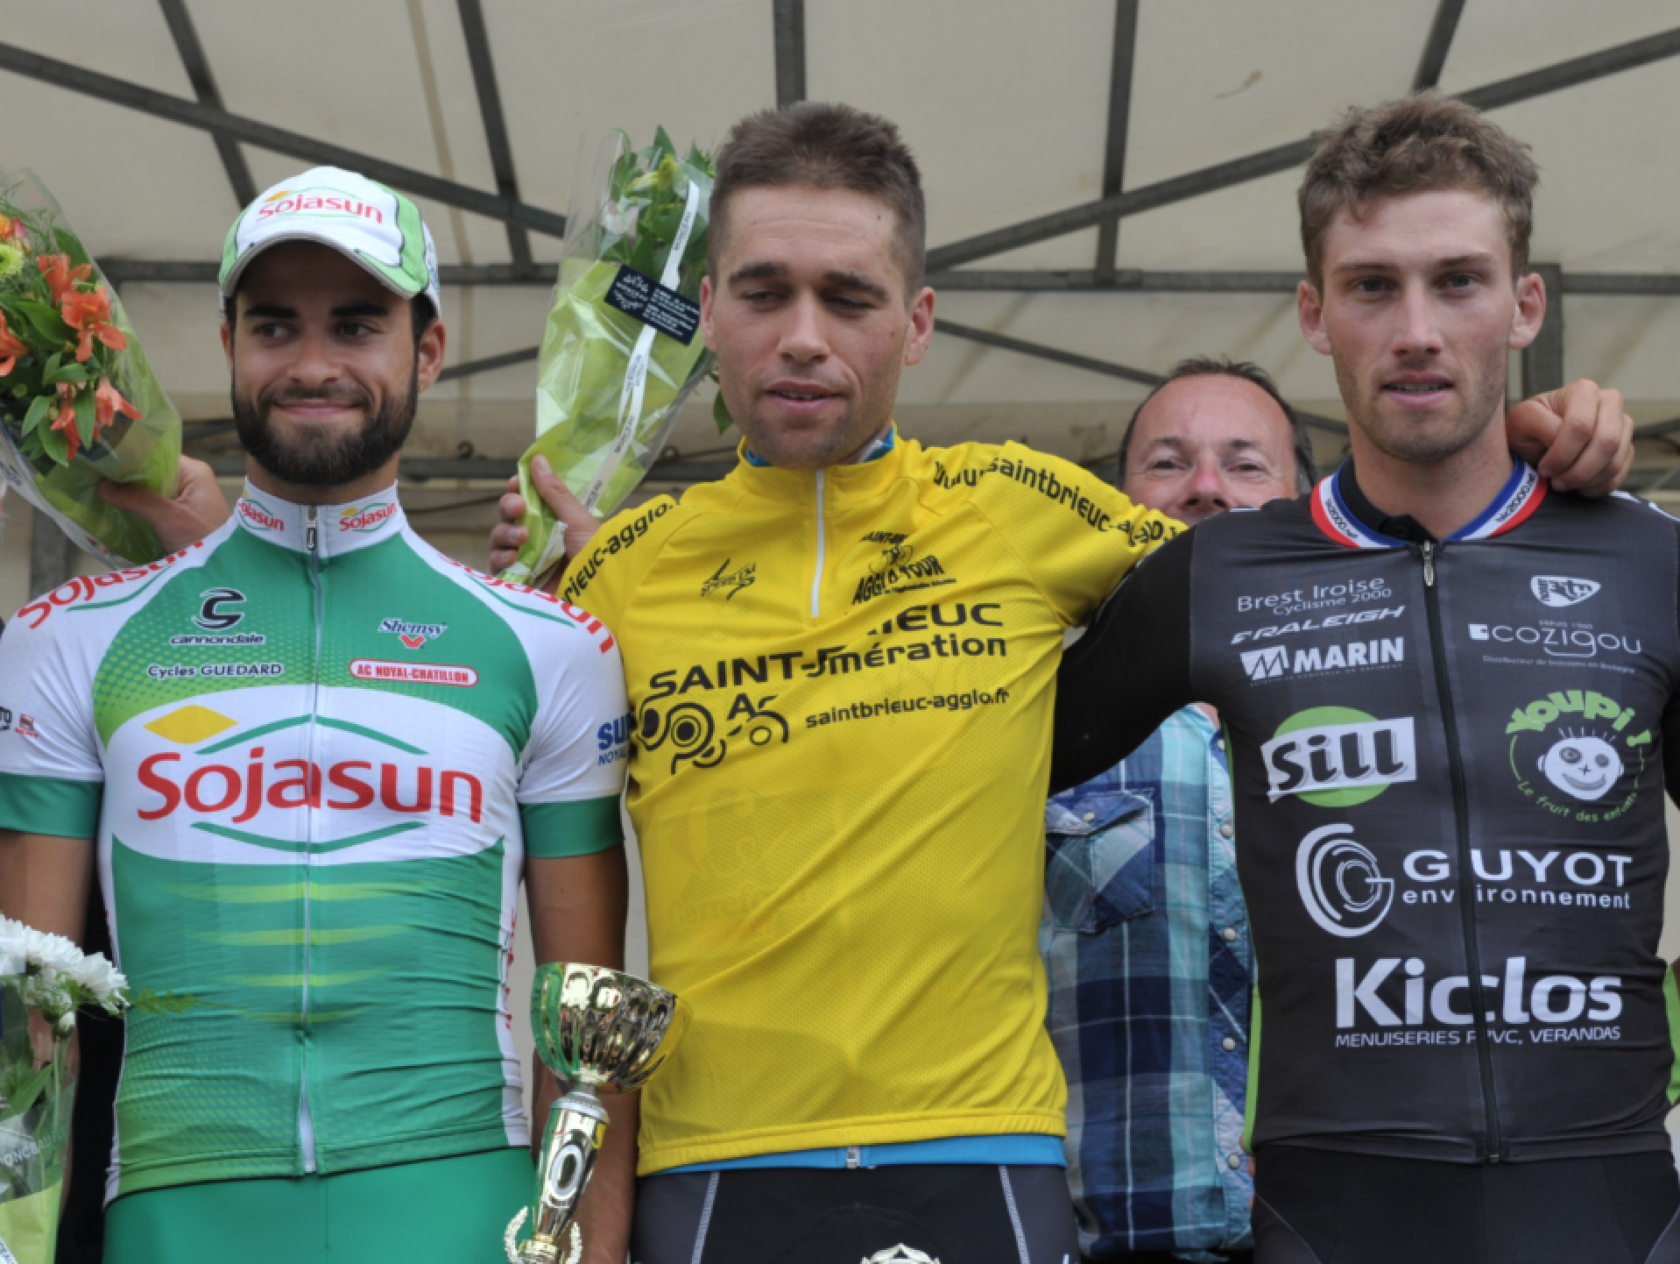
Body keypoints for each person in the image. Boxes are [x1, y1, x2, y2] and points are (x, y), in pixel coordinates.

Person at [486, 102, 1633, 1264]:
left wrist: (1522, 441)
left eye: (850, 297)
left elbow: (1316, 568)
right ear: (708, 309)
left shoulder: (1017, 505)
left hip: (984, 1154)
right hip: (712, 1165)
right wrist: (518, 591)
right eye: (763, 292)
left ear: (918, 322)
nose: (803, 337)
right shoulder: (620, 572)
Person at [1052, 93, 1680, 1264]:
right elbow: (963, 769)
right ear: (1315, 313)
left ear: (1525, 305)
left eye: (1459, 281)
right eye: (1373, 286)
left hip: (1604, 1198)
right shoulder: (1217, 574)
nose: (1417, 329)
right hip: (1334, 1208)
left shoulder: (1649, 560)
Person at [0, 166, 634, 1264]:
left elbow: (590, 1030)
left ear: (427, 350)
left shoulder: (551, 646)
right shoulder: (71, 639)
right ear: (227, 343)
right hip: (180, 1208)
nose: (311, 364)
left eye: (355, 324)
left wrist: (592, 1251)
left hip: (460, 1206)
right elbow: (28, 1016)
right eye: (274, 325)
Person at [1044, 357, 1313, 1264]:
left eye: (1245, 464)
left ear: (1303, 502)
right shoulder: (1036, 714)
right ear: (1117, 499)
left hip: (1332, 1233)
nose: (1204, 487)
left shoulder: (1379, 713)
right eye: (1167, 463)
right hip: (1107, 1240)